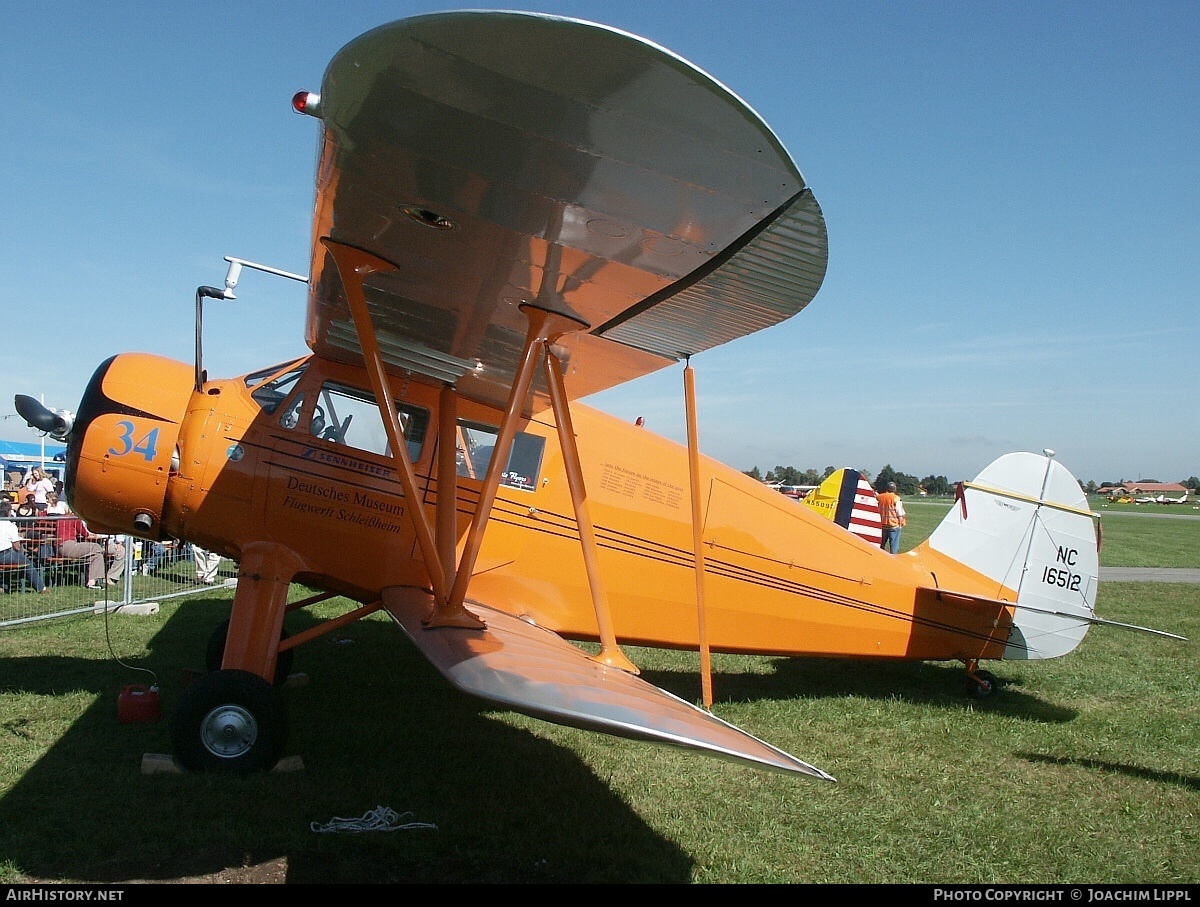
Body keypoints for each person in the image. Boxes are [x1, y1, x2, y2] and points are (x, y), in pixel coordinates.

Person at [38, 512, 108, 589]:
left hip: (59, 547)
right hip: (69, 545)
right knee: (96, 547)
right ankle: (99, 579)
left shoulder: (61, 518)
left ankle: (92, 582)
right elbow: (85, 534)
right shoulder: (75, 518)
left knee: (96, 555)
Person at [0, 499, 48, 593]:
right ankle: (41, 588)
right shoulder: (11, 526)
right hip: (5, 554)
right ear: (9, 513)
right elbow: (17, 547)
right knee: (27, 563)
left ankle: (4, 587)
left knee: (8, 566)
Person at [80, 521, 127, 586]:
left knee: (121, 551)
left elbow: (117, 531)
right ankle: (95, 579)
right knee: (97, 553)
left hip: (106, 544)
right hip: (91, 544)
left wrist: (119, 543)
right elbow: (87, 534)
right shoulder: (85, 519)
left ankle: (110, 577)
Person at [878, 481, 906, 554]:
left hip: (882, 524)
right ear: (894, 489)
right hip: (893, 525)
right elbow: (899, 513)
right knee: (894, 546)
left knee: (880, 545)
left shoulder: (879, 497)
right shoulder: (896, 498)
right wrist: (900, 525)